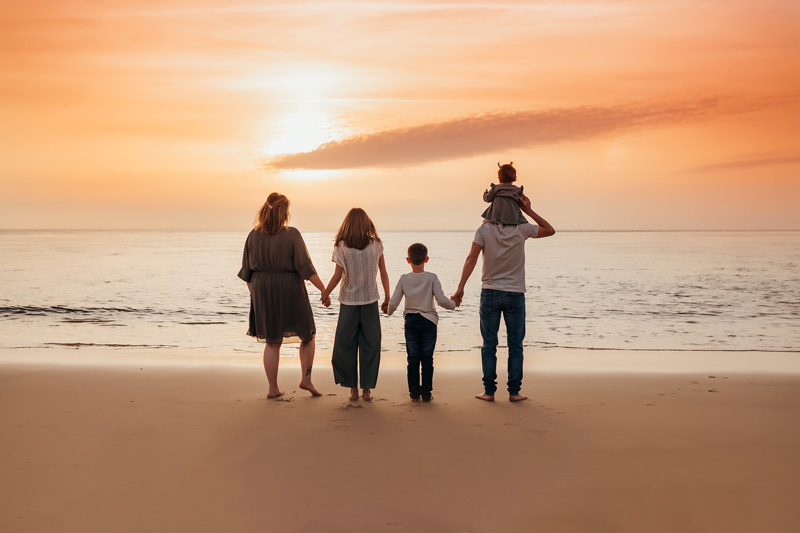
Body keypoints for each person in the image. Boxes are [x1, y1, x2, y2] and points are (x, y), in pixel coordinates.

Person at [452, 192, 555, 402]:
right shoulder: (523, 229)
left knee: (489, 344)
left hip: (489, 292)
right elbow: (549, 230)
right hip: (515, 294)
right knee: (515, 345)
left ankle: (489, 392)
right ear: (515, 208)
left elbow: (471, 258)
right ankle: (514, 392)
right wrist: (528, 210)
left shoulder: (484, 230)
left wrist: (460, 288)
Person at [238, 192, 330, 399]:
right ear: (284, 212)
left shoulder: (253, 235)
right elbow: (306, 268)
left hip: (262, 288)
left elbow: (247, 273)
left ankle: (272, 388)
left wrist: (256, 296)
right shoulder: (292, 234)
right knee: (308, 334)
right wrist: (324, 290)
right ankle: (306, 379)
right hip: (289, 287)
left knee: (272, 341)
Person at [322, 208, 391, 402]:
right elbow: (384, 273)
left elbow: (337, 276)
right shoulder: (376, 244)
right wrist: (387, 297)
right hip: (370, 301)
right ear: (366, 223)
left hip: (349, 303)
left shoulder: (341, 246)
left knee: (345, 346)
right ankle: (367, 390)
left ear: (348, 224)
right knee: (371, 346)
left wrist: (326, 293)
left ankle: (353, 390)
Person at [386, 243, 456, 402]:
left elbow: (394, 301)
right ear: (427, 259)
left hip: (411, 320)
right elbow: (441, 300)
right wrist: (453, 305)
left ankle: (413, 393)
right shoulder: (432, 277)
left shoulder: (404, 279)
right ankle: (426, 393)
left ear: (407, 260)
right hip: (429, 322)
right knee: (427, 358)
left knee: (412, 358)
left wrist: (388, 311)